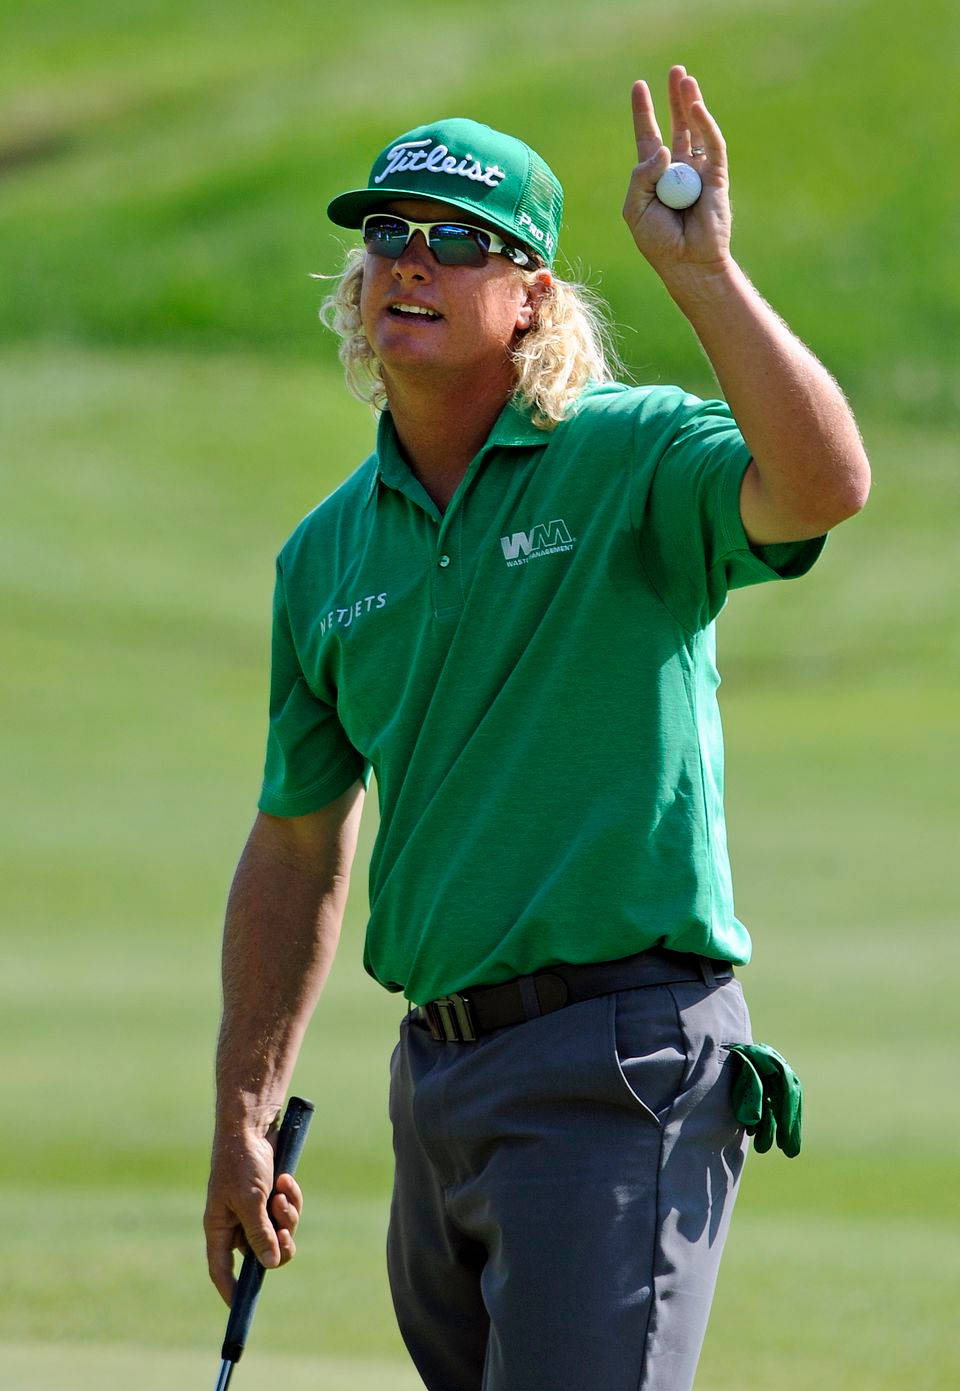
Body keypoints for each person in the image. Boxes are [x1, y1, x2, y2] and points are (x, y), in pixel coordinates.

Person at [204, 66, 870, 1391]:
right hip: (436, 1084)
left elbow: (820, 487)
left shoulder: (627, 457)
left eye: (462, 242)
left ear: (532, 298)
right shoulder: (324, 556)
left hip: (618, 1066)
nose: (412, 262)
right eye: (389, 233)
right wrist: (244, 1106)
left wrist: (706, 277)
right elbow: (296, 848)